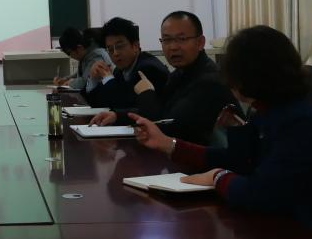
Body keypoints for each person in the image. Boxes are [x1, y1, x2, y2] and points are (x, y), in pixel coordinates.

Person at [125, 25, 312, 239]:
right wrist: (168, 144)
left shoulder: (297, 121)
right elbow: (239, 160)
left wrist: (217, 177)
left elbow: (259, 193)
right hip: (298, 229)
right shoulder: (273, 109)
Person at [91, 11, 234, 143]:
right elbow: (163, 110)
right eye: (166, 40)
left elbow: (167, 127)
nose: (173, 47)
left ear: (200, 43)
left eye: (181, 39)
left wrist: (146, 93)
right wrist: (117, 116)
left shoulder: (209, 81)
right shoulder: (179, 74)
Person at [84, 17, 169, 109]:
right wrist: (93, 79)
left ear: (135, 46)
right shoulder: (119, 70)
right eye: (110, 49)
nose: (115, 53)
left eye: (119, 46)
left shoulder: (147, 69)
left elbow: (125, 105)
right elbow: (98, 103)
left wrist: (108, 79)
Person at [54, 26, 113, 92]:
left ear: (79, 48)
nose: (70, 56)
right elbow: (82, 73)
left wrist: (69, 83)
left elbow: (85, 81)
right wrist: (65, 79)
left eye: (69, 53)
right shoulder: (86, 54)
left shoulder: (96, 57)